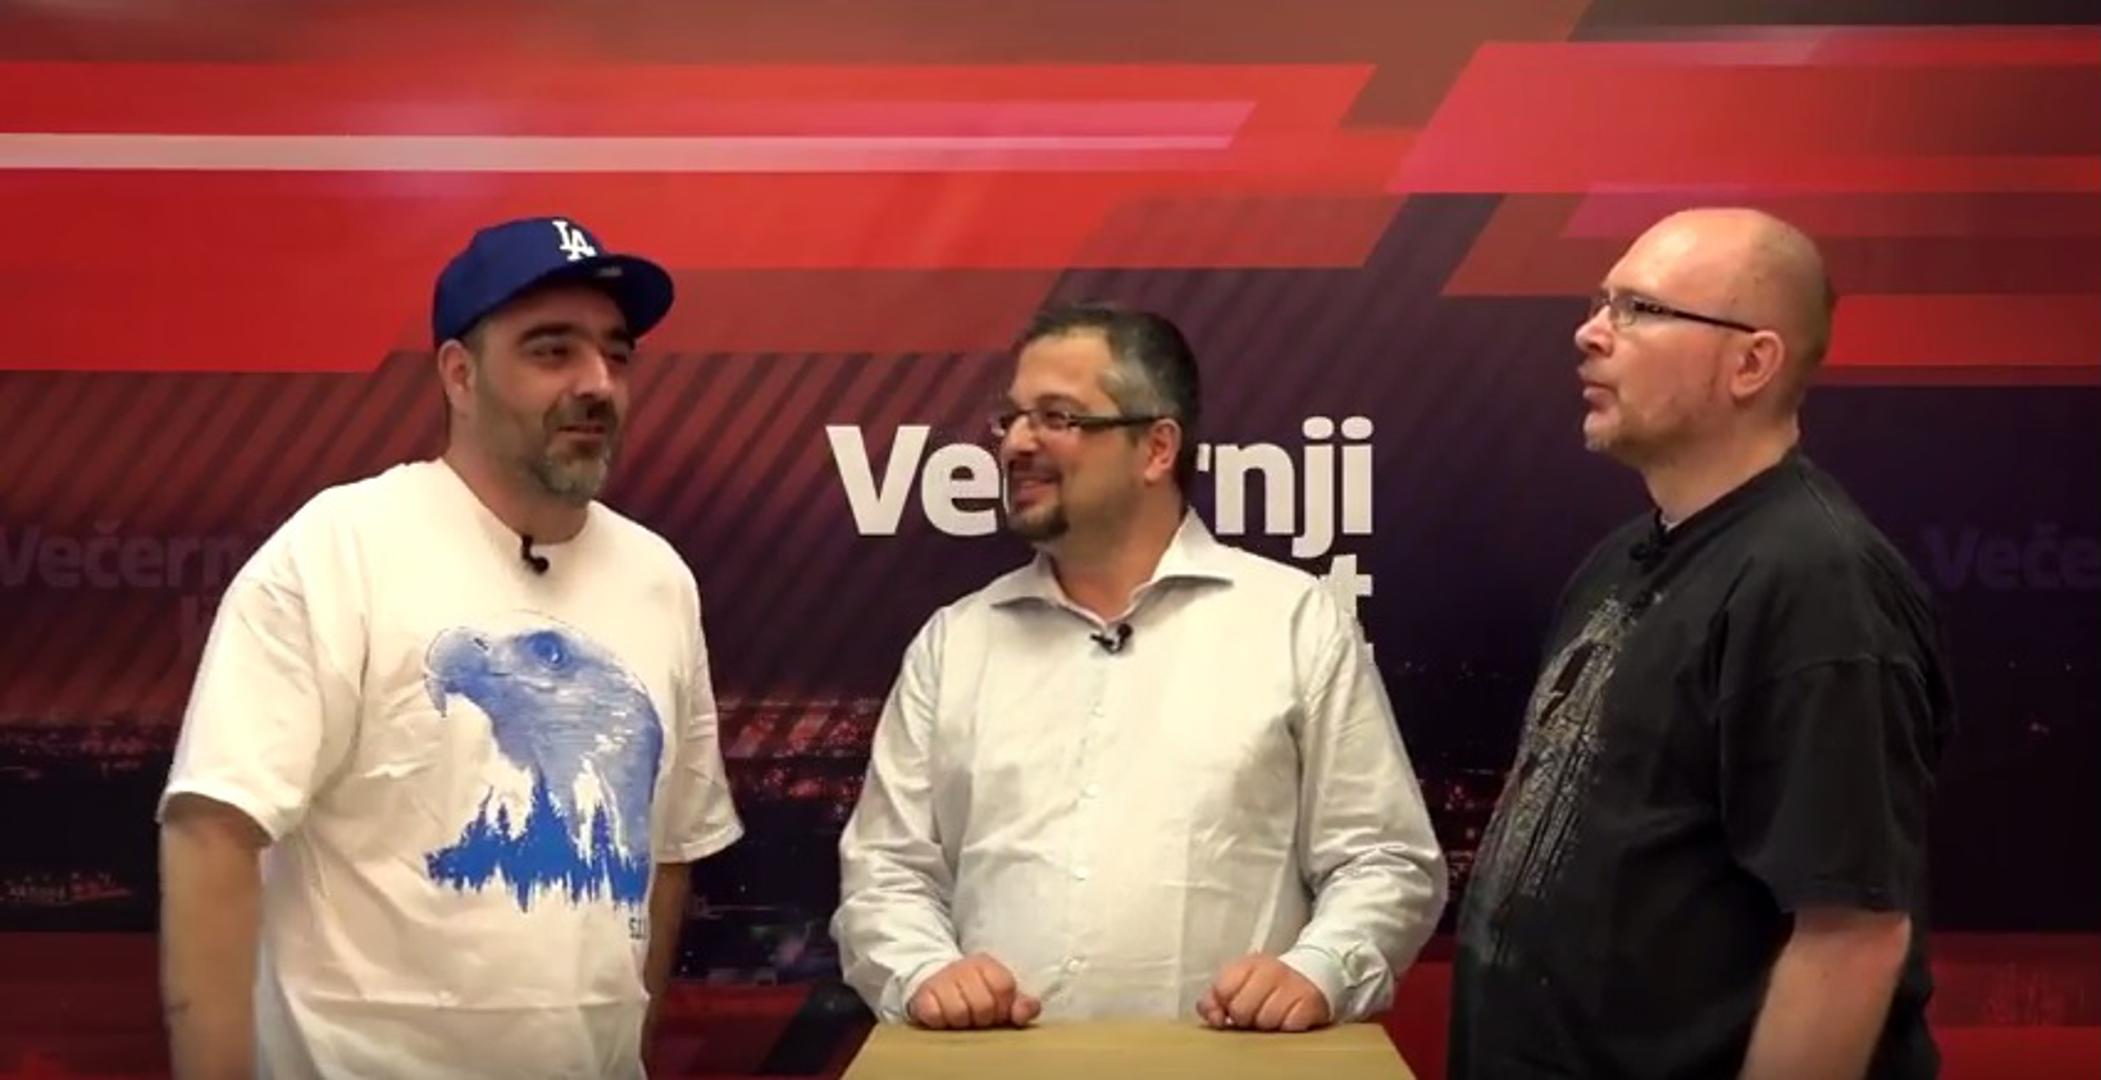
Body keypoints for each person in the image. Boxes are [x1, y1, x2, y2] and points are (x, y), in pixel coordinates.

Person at [156, 216, 743, 1078]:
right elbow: (212, 830)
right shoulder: (340, 548)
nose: (597, 384)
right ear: (460, 375)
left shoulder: (659, 580)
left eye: (616, 355)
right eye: (553, 351)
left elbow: (666, 857)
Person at [832, 302, 1447, 1033]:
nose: (1016, 443)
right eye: (1012, 418)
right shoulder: (956, 642)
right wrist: (924, 971)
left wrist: (1317, 970)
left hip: (1234, 1067)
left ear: (1156, 449)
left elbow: (1384, 861)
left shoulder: (1292, 621)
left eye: (1056, 417)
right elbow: (885, 874)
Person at [1452, 208, 1954, 1078]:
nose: (1590, 333)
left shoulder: (1817, 585)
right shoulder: (1621, 558)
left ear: (1750, 363)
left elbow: (1850, 938)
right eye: (1599, 302)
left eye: (1639, 310)